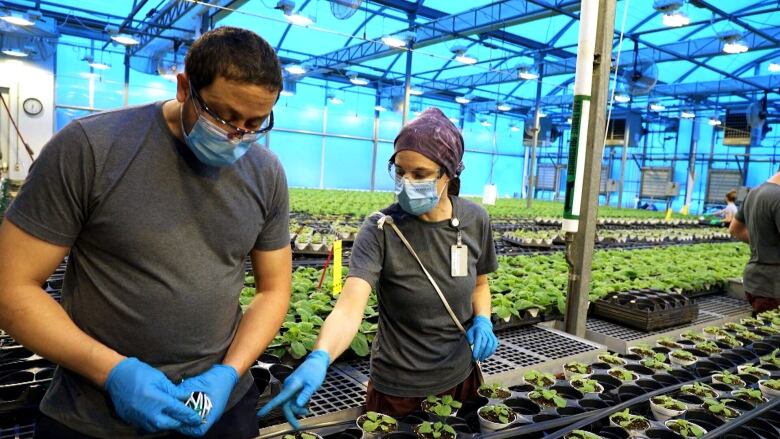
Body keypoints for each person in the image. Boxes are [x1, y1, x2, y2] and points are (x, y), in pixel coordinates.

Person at [0, 27, 292, 438]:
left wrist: (229, 372)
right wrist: (111, 371)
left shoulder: (266, 173)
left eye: (255, 123)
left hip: (216, 410)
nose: (237, 135)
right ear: (184, 87)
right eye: (223, 116)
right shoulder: (90, 148)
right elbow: (12, 286)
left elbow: (273, 290)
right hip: (95, 416)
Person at [257, 107, 499, 427]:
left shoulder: (474, 220)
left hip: (461, 377)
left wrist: (483, 319)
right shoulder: (380, 228)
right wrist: (321, 355)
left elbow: (480, 284)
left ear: (449, 173)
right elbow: (350, 306)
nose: (407, 182)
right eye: (400, 171)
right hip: (399, 389)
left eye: (420, 174)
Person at [729, 170, 780, 314]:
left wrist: (763, 242)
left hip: (757, 283)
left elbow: (735, 229)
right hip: (774, 287)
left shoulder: (755, 192)